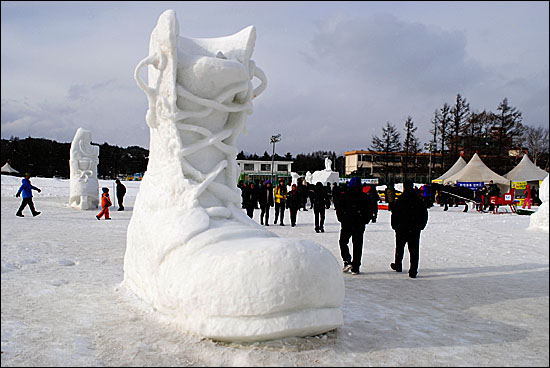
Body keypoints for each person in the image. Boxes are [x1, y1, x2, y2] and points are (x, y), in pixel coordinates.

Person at [335, 177, 374, 275]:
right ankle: (356, 266)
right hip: (359, 224)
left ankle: (347, 260)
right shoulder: (365, 197)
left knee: (343, 242)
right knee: (357, 244)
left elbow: (339, 209)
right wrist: (365, 220)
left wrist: (342, 219)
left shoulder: (345, 196)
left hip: (347, 222)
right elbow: (369, 210)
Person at [390, 181, 428, 278]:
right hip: (414, 228)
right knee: (414, 250)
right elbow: (424, 214)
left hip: (401, 228)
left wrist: (395, 226)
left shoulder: (400, 200)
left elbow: (395, 214)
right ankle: (413, 270)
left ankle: (398, 265)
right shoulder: (418, 200)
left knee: (399, 247)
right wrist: (421, 225)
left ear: (404, 188)